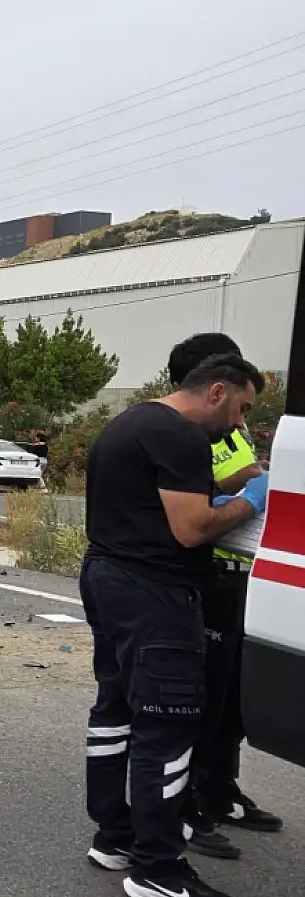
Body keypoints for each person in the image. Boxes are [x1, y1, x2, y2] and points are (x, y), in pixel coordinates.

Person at [80, 354, 267, 897]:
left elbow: (164, 494)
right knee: (168, 723)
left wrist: (235, 480)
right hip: (156, 592)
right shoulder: (182, 436)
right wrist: (251, 502)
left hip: (109, 577)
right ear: (217, 391)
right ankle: (158, 868)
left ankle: (114, 836)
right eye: (242, 408)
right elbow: (191, 528)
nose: (239, 423)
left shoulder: (134, 422)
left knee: (115, 711)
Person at [161, 335, 281, 859]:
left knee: (233, 695)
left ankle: (220, 786)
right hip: (207, 573)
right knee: (199, 697)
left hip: (245, 574)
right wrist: (248, 484)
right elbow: (187, 504)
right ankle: (187, 801)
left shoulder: (235, 424)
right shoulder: (183, 431)